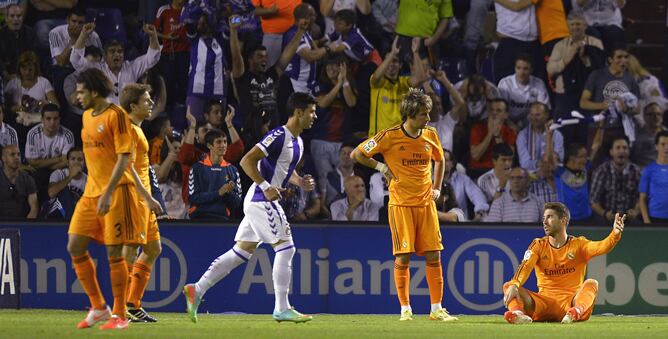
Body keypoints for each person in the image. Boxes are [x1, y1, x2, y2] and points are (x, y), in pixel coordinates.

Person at [182, 92, 318, 323]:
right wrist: (265, 186)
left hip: (260, 201)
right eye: (312, 112)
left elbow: (285, 170)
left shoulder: (299, 142)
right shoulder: (278, 135)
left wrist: (300, 181)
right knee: (286, 249)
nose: (315, 116)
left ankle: (197, 288)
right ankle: (281, 308)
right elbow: (246, 160)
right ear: (298, 112)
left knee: (240, 253)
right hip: (261, 200)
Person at [66, 68, 161, 330]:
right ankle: (108, 307)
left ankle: (126, 308)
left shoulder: (121, 120)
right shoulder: (92, 118)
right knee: (81, 245)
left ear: (95, 92)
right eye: (146, 100)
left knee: (143, 249)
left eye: (82, 91)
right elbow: (126, 163)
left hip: (126, 193)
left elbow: (129, 162)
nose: (77, 96)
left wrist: (147, 196)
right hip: (108, 193)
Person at [351, 88, 458, 322]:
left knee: (433, 255)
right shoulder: (389, 136)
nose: (428, 119)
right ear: (411, 114)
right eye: (423, 114)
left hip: (426, 205)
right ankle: (405, 309)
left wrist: (437, 188)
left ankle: (436, 309)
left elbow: (439, 161)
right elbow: (356, 154)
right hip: (401, 205)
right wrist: (381, 167)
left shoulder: (430, 135)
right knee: (404, 257)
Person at [502, 202, 625, 324]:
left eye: (550, 217)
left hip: (570, 302)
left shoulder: (579, 245)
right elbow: (526, 266)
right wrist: (515, 284)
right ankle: (518, 314)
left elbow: (601, 247)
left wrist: (615, 234)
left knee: (592, 283)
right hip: (543, 304)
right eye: (544, 218)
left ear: (563, 220)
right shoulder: (538, 245)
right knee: (509, 285)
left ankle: (575, 311)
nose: (544, 222)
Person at [118, 83, 166, 323]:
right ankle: (122, 306)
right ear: (133, 105)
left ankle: (132, 304)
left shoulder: (137, 129)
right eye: (146, 101)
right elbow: (126, 166)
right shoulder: (128, 129)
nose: (150, 104)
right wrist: (147, 197)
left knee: (153, 248)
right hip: (134, 199)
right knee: (130, 250)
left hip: (143, 199)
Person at [230, 13, 307, 127]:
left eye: (265, 56)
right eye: (260, 56)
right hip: (252, 132)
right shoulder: (243, 77)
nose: (264, 59)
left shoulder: (271, 75)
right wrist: (233, 30)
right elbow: (236, 56)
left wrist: (300, 31)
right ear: (250, 60)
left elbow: (287, 54)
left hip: (273, 131)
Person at [547, 11, 605, 144]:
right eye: (572, 24)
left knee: (585, 135)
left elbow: (601, 68)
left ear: (585, 25)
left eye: (578, 24)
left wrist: (585, 58)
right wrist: (566, 59)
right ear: (567, 26)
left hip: (588, 96)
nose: (575, 27)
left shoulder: (596, 43)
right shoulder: (560, 45)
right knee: (563, 134)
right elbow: (551, 69)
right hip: (564, 97)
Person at [70, 23, 161, 105]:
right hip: (105, 117)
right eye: (112, 51)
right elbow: (75, 60)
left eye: (120, 51)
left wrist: (153, 36)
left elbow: (153, 57)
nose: (117, 54)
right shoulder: (97, 70)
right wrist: (83, 35)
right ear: (105, 57)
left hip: (126, 118)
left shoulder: (132, 67)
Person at [368, 37, 426, 136]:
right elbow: (377, 76)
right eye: (388, 61)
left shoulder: (404, 82)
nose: (391, 64)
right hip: (379, 140)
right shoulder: (378, 83)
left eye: (394, 61)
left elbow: (420, 78)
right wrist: (393, 53)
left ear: (400, 65)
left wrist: (415, 52)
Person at [188, 129, 243, 220]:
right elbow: (193, 198)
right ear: (209, 145)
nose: (223, 145)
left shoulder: (233, 170)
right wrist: (218, 193)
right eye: (219, 142)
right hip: (199, 218)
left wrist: (228, 193)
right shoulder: (196, 168)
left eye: (225, 142)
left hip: (223, 219)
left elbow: (237, 202)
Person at [25, 103, 75, 203]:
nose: (52, 122)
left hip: (59, 170)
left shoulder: (67, 135)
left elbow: (66, 162)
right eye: (48, 119)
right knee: (35, 177)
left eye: (55, 119)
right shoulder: (33, 134)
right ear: (42, 119)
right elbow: (32, 161)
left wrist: (43, 166)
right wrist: (59, 158)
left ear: (59, 119)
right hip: (39, 172)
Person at [590, 136, 641, 223]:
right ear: (611, 152)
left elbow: (641, 197)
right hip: (606, 217)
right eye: (618, 148)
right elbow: (593, 200)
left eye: (625, 148)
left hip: (629, 218)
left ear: (629, 151)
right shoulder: (601, 171)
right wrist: (605, 214)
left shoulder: (635, 171)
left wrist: (635, 211)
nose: (621, 151)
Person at [6, 51, 60, 126]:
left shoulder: (44, 82)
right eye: (24, 69)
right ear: (19, 68)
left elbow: (56, 105)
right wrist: (13, 108)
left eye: (30, 69)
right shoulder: (13, 83)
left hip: (39, 123)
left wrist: (47, 104)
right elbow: (5, 106)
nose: (27, 72)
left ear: (35, 68)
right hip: (17, 122)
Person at [497, 55, 550, 128]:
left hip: (530, 121)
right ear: (514, 68)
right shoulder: (505, 84)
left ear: (531, 70)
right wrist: (512, 126)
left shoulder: (539, 83)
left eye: (525, 69)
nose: (521, 72)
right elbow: (499, 111)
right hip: (507, 121)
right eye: (518, 68)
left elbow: (543, 109)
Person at [154, 0, 189, 109]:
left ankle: (185, 110)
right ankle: (166, 112)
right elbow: (153, 30)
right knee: (168, 84)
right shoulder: (164, 10)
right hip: (168, 54)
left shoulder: (188, 10)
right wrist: (167, 37)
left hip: (185, 53)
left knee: (184, 83)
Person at [469, 99, 517, 174]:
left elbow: (508, 157)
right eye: (492, 110)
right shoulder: (477, 128)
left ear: (506, 115)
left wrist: (497, 135)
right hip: (479, 171)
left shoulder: (510, 132)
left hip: (500, 171)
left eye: (498, 110)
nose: (494, 113)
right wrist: (490, 133)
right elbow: (475, 156)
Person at [441, 149, 489, 221]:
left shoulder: (462, 179)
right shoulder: (426, 180)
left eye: (446, 160)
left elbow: (477, 195)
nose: (442, 163)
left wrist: (480, 212)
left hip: (459, 226)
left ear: (452, 164)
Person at [516, 102, 564, 173]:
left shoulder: (557, 135)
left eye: (537, 115)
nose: (534, 118)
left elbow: (558, 160)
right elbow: (524, 163)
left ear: (546, 115)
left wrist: (549, 136)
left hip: (553, 174)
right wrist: (541, 163)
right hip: (530, 176)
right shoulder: (522, 135)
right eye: (532, 115)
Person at [253, 0, 302, 68]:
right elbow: (252, 10)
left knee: (297, 68)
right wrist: (269, 11)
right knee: (271, 70)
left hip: (297, 32)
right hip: (274, 34)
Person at [46, 147, 86, 219]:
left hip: (78, 215)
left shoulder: (88, 180)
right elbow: (51, 193)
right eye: (73, 159)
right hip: (56, 214)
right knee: (66, 193)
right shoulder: (59, 174)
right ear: (68, 163)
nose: (76, 162)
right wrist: (70, 177)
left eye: (80, 159)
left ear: (84, 164)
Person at [0, 144, 38, 219]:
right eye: (12, 155)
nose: (16, 157)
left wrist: (25, 225)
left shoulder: (27, 179)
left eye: (18, 154)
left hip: (22, 223)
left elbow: (34, 208)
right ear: (3, 158)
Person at [0, 4, 37, 77]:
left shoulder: (30, 33)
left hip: (27, 74)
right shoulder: (1, 34)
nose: (16, 19)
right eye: (12, 16)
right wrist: (6, 74)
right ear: (6, 18)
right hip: (6, 75)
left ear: (22, 18)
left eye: (19, 16)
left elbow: (34, 56)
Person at [639, 131, 668, 223]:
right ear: (656, 146)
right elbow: (642, 198)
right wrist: (646, 221)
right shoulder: (648, 170)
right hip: (654, 218)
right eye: (663, 144)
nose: (666, 147)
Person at [632, 100, 667, 168]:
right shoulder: (635, 135)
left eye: (658, 114)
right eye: (651, 114)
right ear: (644, 116)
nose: (656, 117)